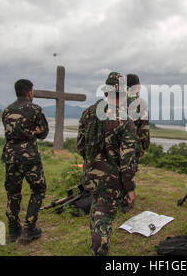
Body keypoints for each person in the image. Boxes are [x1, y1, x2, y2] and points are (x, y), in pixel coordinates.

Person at [77, 72, 137, 256]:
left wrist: (93, 163)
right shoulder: (124, 120)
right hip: (111, 182)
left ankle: (95, 244)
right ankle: (98, 251)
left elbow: (80, 147)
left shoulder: (88, 114)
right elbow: (127, 160)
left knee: (96, 210)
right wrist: (130, 187)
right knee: (103, 217)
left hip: (91, 177)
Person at [2, 79, 49, 243]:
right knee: (38, 189)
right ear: (29, 92)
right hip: (29, 157)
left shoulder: (7, 110)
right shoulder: (35, 109)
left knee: (13, 193)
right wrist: (35, 132)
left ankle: (14, 230)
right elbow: (44, 133)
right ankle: (29, 228)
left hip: (10, 157)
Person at [123, 74, 150, 212]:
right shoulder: (140, 103)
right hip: (132, 146)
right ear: (137, 85)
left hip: (115, 144)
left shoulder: (117, 100)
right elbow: (144, 129)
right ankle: (127, 199)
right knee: (130, 171)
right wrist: (144, 146)